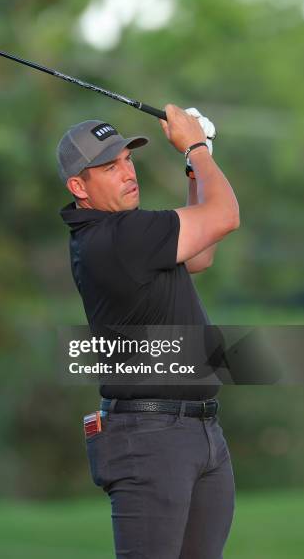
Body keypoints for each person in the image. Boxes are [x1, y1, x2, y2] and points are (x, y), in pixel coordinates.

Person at [57, 104, 240, 559]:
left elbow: (200, 256)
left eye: (127, 159)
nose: (126, 172)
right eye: (108, 166)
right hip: (151, 436)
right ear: (79, 187)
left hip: (196, 430)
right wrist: (196, 146)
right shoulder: (116, 238)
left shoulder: (129, 232)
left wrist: (195, 165)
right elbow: (225, 216)